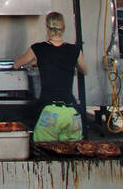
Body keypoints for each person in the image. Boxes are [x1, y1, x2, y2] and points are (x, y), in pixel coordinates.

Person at [14, 11, 87, 141]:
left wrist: (36, 61)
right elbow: (84, 70)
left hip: (50, 111)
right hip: (71, 112)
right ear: (63, 28)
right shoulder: (74, 50)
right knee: (72, 152)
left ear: (47, 28)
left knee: (45, 151)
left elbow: (17, 64)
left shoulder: (38, 49)